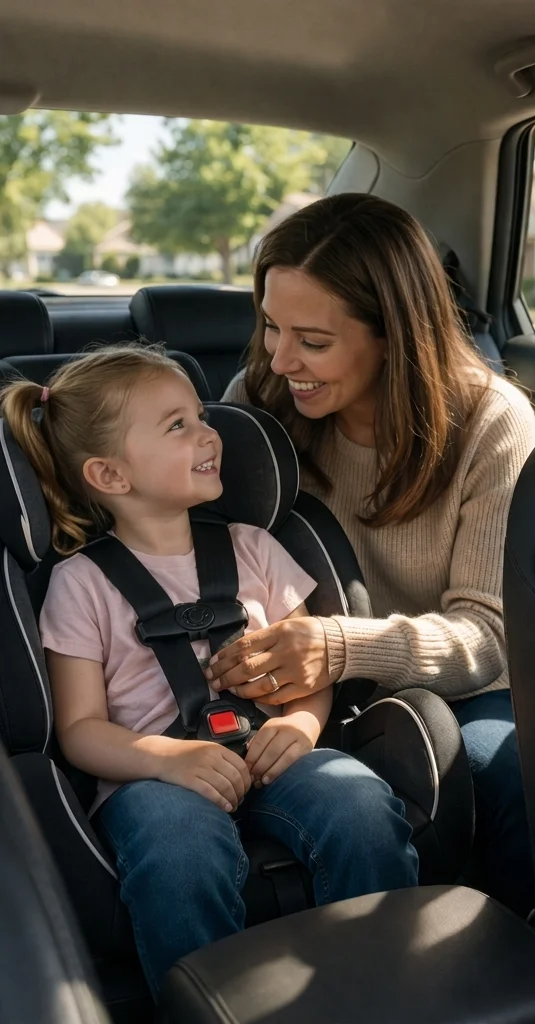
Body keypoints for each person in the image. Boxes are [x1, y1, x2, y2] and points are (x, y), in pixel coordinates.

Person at [3, 346, 419, 996]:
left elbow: (307, 672)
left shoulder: (256, 547)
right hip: (154, 778)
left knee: (361, 806)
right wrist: (169, 760)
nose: (208, 433)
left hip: (273, 755)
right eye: (178, 426)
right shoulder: (80, 584)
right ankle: (207, 1007)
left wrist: (305, 729)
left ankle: (381, 988)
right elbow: (81, 729)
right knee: (178, 853)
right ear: (111, 474)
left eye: (202, 416)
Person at [211, 193, 535, 915]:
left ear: (393, 332)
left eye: (313, 341)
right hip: (290, 684)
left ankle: (522, 970)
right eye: (270, 326)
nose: (280, 357)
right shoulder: (257, 401)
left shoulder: (491, 420)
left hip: (456, 687)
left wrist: (336, 646)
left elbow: (488, 636)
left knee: (502, 772)